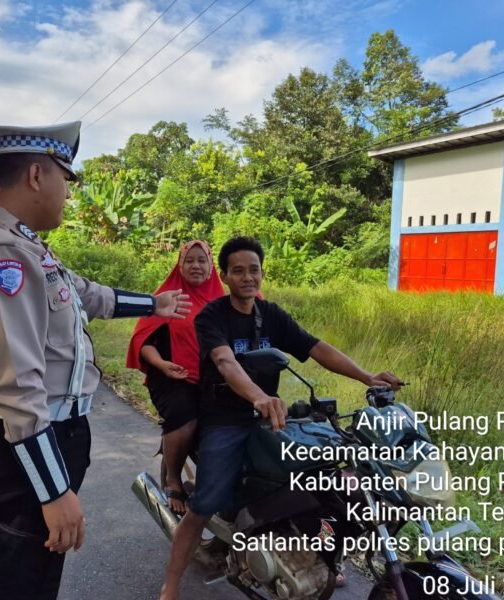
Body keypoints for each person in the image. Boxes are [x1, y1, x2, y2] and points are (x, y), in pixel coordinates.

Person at [0, 120, 191, 600]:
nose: (68, 194)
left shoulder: (24, 243)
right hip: (23, 448)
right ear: (37, 176)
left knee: (37, 577)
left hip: (44, 439)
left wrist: (155, 304)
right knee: (20, 584)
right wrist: (54, 491)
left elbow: (82, 293)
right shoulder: (3, 256)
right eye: (66, 179)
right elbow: (18, 387)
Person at [158, 236, 403, 600]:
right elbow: (225, 362)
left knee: (320, 481)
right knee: (204, 504)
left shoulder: (270, 315)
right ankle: (170, 586)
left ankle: (315, 557)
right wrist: (258, 395)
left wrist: (367, 376)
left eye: (253, 270)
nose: (247, 277)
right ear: (224, 276)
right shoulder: (213, 316)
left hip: (268, 416)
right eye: (238, 271)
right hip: (225, 419)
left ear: (262, 273)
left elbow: (316, 347)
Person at [126, 240, 224, 514]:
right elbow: (143, 341)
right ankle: (173, 479)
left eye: (201, 260)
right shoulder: (167, 297)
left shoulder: (223, 301)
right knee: (185, 415)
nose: (195, 265)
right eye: (189, 260)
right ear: (179, 266)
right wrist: (162, 364)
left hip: (213, 378)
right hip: (170, 375)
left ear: (210, 266)